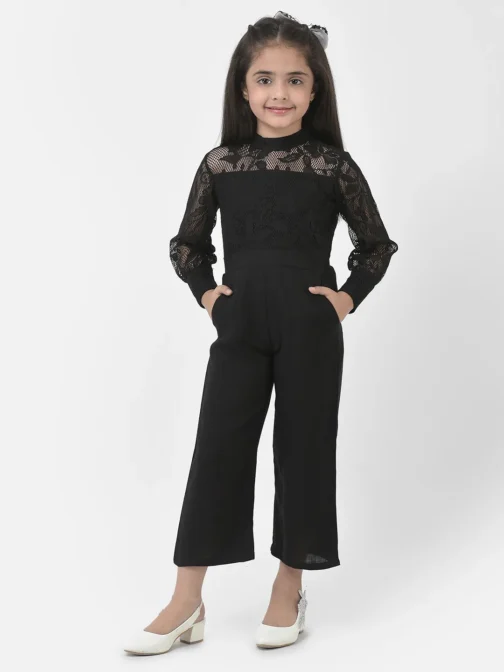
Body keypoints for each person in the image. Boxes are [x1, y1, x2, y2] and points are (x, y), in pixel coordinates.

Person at [123, 10, 398, 655]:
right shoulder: (221, 164)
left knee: (304, 450)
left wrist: (345, 300)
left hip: (309, 329)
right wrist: (208, 295)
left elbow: (376, 245)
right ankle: (186, 600)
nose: (280, 93)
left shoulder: (331, 166)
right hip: (240, 326)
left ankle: (288, 587)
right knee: (217, 449)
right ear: (243, 89)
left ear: (315, 90)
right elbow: (188, 244)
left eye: (295, 80)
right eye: (265, 79)